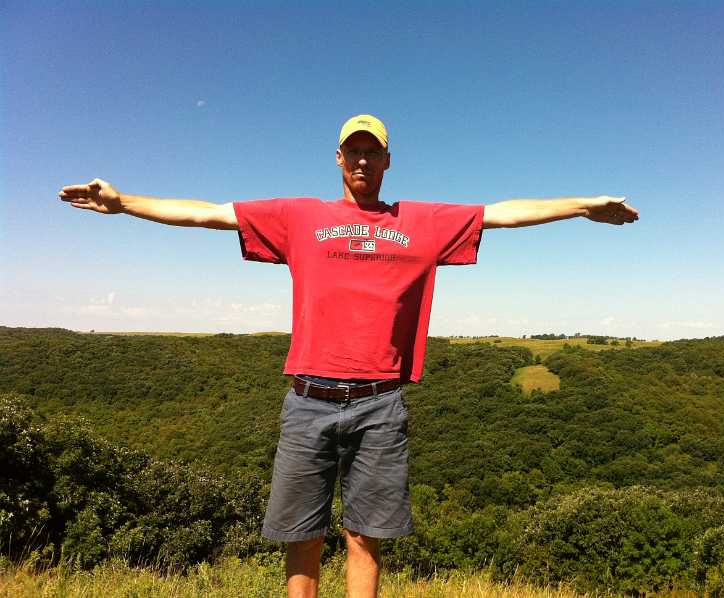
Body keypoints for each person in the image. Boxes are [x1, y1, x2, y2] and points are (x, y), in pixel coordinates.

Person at [59, 114, 638, 598]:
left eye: (372, 152)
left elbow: (501, 212)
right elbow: (209, 212)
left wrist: (581, 206)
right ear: (339, 159)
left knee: (366, 536)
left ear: (388, 161)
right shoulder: (299, 216)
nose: (362, 160)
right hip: (308, 398)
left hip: (380, 403)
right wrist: (124, 202)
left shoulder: (420, 221)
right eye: (353, 151)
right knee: (301, 535)